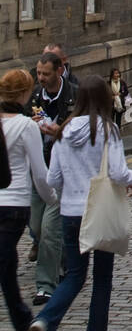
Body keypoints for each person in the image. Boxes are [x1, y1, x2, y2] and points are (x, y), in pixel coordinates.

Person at [27, 76, 132, 331]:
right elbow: (117, 172)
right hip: (99, 211)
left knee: (75, 276)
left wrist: (68, 195)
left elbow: (53, 179)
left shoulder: (63, 132)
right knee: (102, 279)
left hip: (70, 213)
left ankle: (44, 322)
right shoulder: (108, 130)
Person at [0, 70, 57, 331]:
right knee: (6, 263)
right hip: (14, 205)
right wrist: (53, 201)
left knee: (6, 263)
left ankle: (22, 322)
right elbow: (40, 174)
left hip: (9, 204)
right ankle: (23, 322)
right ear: (24, 94)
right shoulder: (26, 126)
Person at [29, 52, 77, 305]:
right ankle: (67, 261)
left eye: (45, 73)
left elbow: (84, 126)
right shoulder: (34, 96)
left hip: (60, 174)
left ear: (59, 71)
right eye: (38, 73)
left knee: (49, 230)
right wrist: (30, 124)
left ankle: (45, 286)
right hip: (37, 171)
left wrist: (61, 131)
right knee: (36, 228)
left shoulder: (74, 95)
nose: (41, 78)